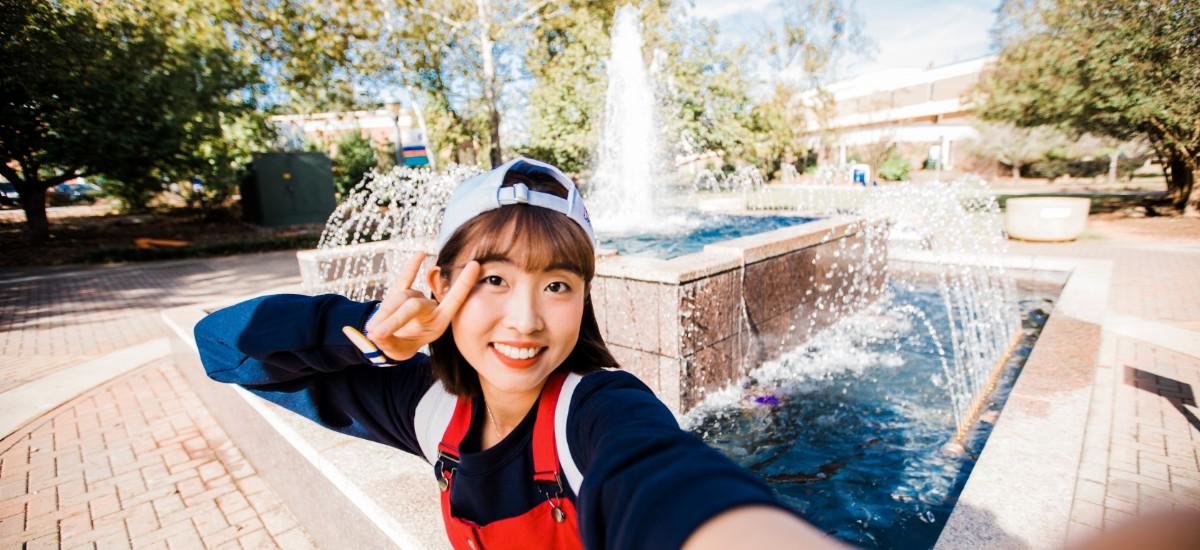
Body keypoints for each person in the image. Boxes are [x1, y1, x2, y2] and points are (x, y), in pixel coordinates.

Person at [195, 158, 841, 550]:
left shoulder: (595, 411)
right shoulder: (423, 404)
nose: (527, 320)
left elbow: (664, 480)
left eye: (556, 285)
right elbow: (222, 347)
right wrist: (361, 330)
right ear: (442, 286)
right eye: (494, 280)